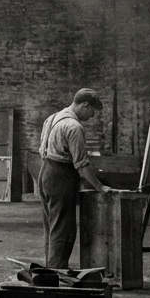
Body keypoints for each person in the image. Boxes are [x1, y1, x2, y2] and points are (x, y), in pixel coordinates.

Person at [37, 88, 113, 269]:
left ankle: (52, 268)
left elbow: (42, 150)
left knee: (52, 228)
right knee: (63, 230)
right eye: (92, 111)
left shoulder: (53, 118)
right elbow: (81, 165)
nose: (92, 116)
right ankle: (57, 271)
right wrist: (100, 187)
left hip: (45, 172)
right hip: (60, 177)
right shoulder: (74, 127)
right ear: (85, 105)